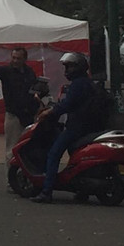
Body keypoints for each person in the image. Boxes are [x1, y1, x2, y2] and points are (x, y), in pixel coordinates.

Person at [30, 51, 94, 203]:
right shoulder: (88, 83)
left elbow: (67, 105)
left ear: (78, 68)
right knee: (76, 155)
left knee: (54, 154)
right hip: (89, 126)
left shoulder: (78, 85)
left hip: (76, 127)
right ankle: (82, 190)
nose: (67, 71)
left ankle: (46, 191)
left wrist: (50, 112)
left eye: (70, 67)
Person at [0, 47, 39, 163]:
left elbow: (35, 88)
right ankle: (11, 179)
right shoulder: (6, 71)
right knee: (11, 149)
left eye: (18, 58)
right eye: (14, 58)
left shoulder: (29, 72)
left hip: (28, 114)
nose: (15, 61)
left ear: (25, 59)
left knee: (27, 147)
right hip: (13, 115)